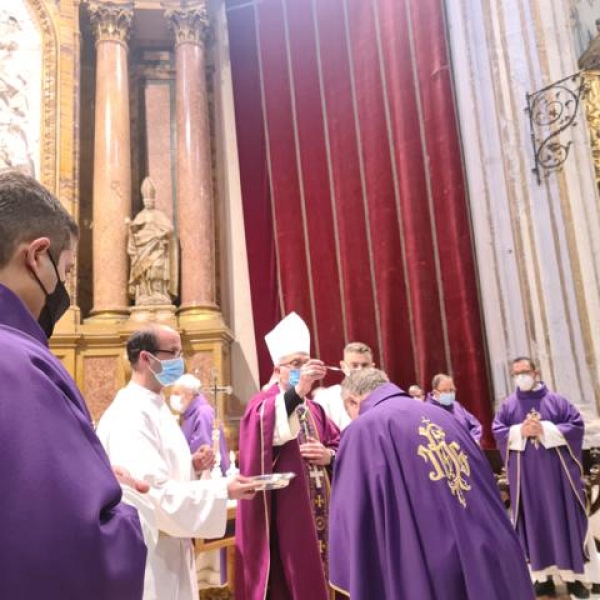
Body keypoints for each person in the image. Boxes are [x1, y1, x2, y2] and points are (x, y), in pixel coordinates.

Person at [0, 170, 148, 599]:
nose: (62, 289)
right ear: (37, 256)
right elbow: (78, 547)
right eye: (65, 271)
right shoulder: (21, 366)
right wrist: (122, 505)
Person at [329, 368, 535, 600]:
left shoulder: (363, 429)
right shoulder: (445, 416)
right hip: (490, 549)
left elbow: (352, 513)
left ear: (352, 401)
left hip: (429, 567)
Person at [96, 325, 256, 600]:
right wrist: (222, 490)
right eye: (173, 353)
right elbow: (152, 495)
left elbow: (160, 470)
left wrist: (192, 465)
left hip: (169, 547)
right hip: (151, 556)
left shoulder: (154, 405)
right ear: (146, 358)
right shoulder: (131, 414)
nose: (180, 362)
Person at [236, 312, 341, 600]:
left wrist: (329, 455)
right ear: (277, 368)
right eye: (295, 364)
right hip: (288, 513)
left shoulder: (315, 408)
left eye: (305, 362)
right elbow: (266, 430)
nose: (302, 369)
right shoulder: (262, 405)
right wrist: (298, 391)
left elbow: (339, 443)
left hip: (325, 509)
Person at [493, 357, 590, 599]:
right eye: (516, 373)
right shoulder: (508, 406)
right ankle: (542, 577)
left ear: (535, 372)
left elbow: (576, 426)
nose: (521, 377)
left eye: (525, 371)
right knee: (535, 523)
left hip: (557, 480)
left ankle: (573, 579)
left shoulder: (556, 401)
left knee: (563, 521)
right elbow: (498, 431)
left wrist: (545, 430)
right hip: (527, 482)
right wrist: (520, 431)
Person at [127, 176, 177, 306]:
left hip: (157, 249)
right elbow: (135, 232)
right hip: (143, 250)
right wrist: (132, 230)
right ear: (144, 201)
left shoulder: (159, 215)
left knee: (156, 269)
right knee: (144, 271)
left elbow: (170, 228)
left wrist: (160, 233)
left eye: (150, 201)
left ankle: (159, 293)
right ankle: (144, 294)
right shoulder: (140, 216)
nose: (148, 203)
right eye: (146, 201)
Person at [170, 373, 230, 474]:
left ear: (189, 394)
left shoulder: (203, 414)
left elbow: (202, 452)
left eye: (176, 393)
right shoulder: (191, 415)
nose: (173, 398)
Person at [313, 341, 375, 430]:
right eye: (354, 365)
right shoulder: (326, 398)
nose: (360, 370)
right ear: (343, 366)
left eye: (365, 365)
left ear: (372, 367)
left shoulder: (382, 397)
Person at [425, 373, 482, 443]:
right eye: (445, 391)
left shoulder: (456, 405)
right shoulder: (427, 410)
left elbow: (475, 425)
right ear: (435, 392)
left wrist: (474, 440)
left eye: (452, 390)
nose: (449, 393)